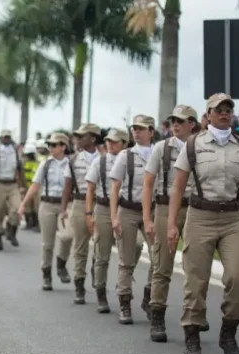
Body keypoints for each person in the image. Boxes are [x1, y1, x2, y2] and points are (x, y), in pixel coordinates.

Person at [168, 93, 239, 354]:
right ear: (207, 115)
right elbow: (178, 187)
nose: (224, 113)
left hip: (233, 218)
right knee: (196, 280)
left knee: (238, 277)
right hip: (200, 217)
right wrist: (172, 225)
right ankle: (192, 334)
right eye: (218, 110)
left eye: (228, 110)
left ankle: (228, 331)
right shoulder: (193, 144)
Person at [142, 105, 209, 341]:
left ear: (193, 123)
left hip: (195, 209)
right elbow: (148, 183)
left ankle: (195, 312)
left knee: (197, 266)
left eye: (181, 121)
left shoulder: (203, 146)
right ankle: (157, 314)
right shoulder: (162, 148)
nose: (175, 125)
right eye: (173, 121)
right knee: (162, 264)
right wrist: (147, 218)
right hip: (164, 208)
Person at [108, 115, 156, 324]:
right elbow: (115, 187)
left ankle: (149, 296)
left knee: (159, 259)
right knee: (126, 261)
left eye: (141, 128)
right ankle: (125, 304)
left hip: (153, 212)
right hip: (127, 210)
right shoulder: (125, 156)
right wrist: (113, 217)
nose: (136, 132)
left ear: (151, 132)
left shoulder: (159, 153)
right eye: (134, 128)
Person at [17, 132, 70, 290]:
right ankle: (46, 274)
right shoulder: (45, 164)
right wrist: (24, 204)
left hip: (65, 206)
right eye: (50, 145)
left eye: (54, 145)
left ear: (63, 147)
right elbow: (35, 185)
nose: (51, 148)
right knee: (47, 244)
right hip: (46, 204)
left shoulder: (70, 164)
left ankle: (61, 264)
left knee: (67, 237)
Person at [85, 128, 128, 313]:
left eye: (115, 141)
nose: (110, 144)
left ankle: (124, 287)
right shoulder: (99, 161)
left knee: (131, 249)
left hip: (125, 208)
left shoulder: (131, 159)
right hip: (102, 208)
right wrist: (89, 214)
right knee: (102, 254)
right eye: (108, 141)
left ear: (125, 144)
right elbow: (90, 188)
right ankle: (101, 291)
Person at [62, 124, 102, 304]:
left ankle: (97, 271)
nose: (78, 139)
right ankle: (79, 284)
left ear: (93, 138)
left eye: (82, 136)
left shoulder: (105, 159)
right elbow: (67, 186)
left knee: (101, 244)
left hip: (100, 203)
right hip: (79, 202)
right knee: (80, 246)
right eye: (77, 136)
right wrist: (64, 209)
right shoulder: (73, 160)